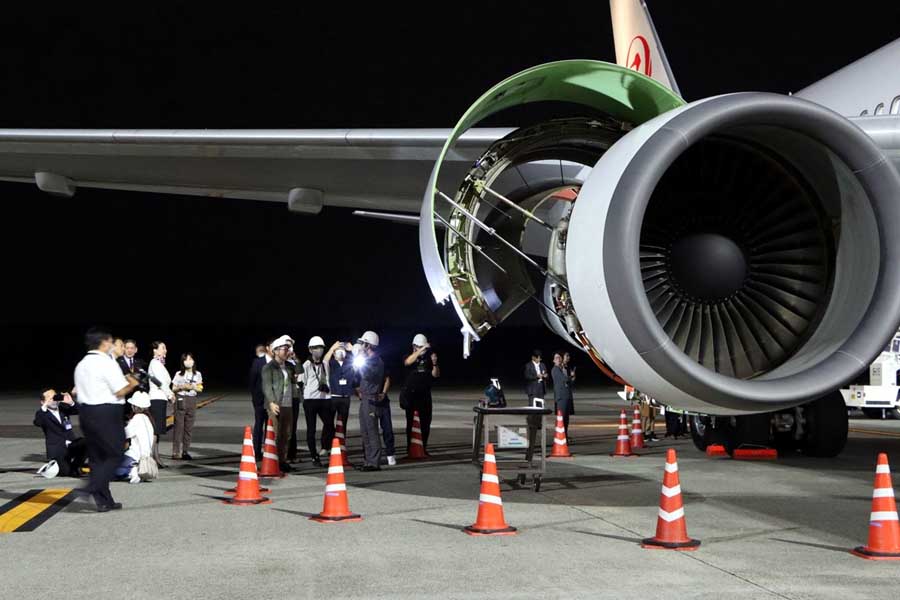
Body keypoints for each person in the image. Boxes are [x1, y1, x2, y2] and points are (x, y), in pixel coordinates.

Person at [73, 328, 139, 512]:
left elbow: (76, 391)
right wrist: (132, 383)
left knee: (97, 458)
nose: (112, 345)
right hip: (106, 413)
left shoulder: (82, 364)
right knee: (116, 453)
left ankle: (104, 500)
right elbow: (119, 390)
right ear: (103, 343)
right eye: (110, 342)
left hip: (86, 413)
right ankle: (90, 488)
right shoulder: (105, 363)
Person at [261, 335, 297, 472]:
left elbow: (300, 371)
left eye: (288, 348)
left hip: (288, 404)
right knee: (276, 434)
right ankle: (272, 461)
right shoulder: (268, 367)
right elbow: (266, 386)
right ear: (275, 350)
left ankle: (282, 460)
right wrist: (271, 402)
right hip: (275, 404)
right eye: (284, 349)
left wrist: (294, 358)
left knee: (286, 434)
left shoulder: (288, 366)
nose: (287, 351)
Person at [33, 389, 86, 477]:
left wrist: (71, 402)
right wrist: (45, 405)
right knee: (65, 472)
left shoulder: (63, 408)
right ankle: (65, 467)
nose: (53, 399)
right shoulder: (43, 414)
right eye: (49, 398)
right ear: (42, 402)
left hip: (72, 444)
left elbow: (80, 411)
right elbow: (37, 422)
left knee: (88, 442)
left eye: (54, 396)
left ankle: (76, 466)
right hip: (58, 450)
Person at [401, 333, 440, 456]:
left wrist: (434, 363)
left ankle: (423, 448)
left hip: (425, 394)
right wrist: (421, 350)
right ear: (414, 346)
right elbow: (407, 362)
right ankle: (410, 448)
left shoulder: (428, 358)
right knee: (411, 423)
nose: (424, 350)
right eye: (421, 347)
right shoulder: (409, 356)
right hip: (411, 395)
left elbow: (436, 375)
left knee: (425, 422)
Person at [299, 336, 332, 467]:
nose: (319, 350)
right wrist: (304, 400)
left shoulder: (325, 364)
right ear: (310, 350)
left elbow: (328, 379)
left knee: (330, 425)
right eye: (316, 348)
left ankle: (326, 447)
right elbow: (301, 383)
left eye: (321, 348)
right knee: (311, 429)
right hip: (310, 400)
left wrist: (329, 393)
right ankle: (314, 456)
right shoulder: (306, 365)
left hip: (323, 399)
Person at [354, 331, 385, 471]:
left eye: (364, 344)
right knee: (365, 431)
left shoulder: (376, 361)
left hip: (371, 399)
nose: (362, 347)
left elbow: (367, 375)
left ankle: (374, 462)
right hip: (365, 398)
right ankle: (368, 460)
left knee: (372, 432)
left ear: (369, 345)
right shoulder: (369, 360)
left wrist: (359, 358)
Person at [115, 392, 156, 483]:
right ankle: (138, 470)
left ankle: (132, 470)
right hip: (146, 458)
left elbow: (125, 434)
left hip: (134, 456)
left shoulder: (136, 419)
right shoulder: (148, 420)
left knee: (111, 471)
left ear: (135, 406)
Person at [326, 340, 357, 454]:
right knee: (329, 423)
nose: (341, 352)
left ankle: (342, 444)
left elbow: (360, 365)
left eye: (343, 350)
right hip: (333, 397)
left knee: (343, 422)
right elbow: (324, 361)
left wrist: (353, 350)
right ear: (334, 353)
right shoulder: (331, 364)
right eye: (338, 351)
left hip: (345, 397)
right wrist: (331, 348)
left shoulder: (350, 363)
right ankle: (329, 445)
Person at [172, 353, 203, 460]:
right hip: (181, 399)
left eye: (190, 359)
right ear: (182, 362)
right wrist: (182, 387)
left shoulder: (198, 374)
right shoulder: (178, 374)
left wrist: (193, 387)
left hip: (192, 400)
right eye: (185, 359)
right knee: (179, 427)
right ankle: (176, 452)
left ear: (193, 361)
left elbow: (200, 388)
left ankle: (185, 451)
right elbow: (173, 388)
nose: (188, 361)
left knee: (188, 427)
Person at [148, 341, 174, 467]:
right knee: (155, 430)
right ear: (155, 350)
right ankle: (153, 458)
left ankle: (156, 457)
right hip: (156, 398)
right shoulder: (155, 364)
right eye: (163, 348)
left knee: (157, 431)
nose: (165, 350)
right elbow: (160, 383)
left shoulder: (159, 364)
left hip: (160, 398)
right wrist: (170, 394)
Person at [248, 343, 271, 461]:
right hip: (260, 401)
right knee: (259, 426)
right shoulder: (258, 362)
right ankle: (256, 452)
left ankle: (269, 451)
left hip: (273, 401)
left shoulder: (277, 363)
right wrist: (255, 398)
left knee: (270, 427)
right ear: (268, 348)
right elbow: (253, 381)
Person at [551, 352, 575, 440]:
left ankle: (564, 435)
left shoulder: (562, 369)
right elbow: (564, 379)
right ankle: (560, 436)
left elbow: (569, 382)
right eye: (556, 358)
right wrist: (570, 377)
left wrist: (572, 378)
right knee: (561, 418)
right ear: (553, 360)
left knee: (566, 419)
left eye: (559, 357)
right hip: (561, 397)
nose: (558, 359)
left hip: (567, 396)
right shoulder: (555, 369)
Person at [376, 367, 396, 466]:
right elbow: (356, 383)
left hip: (383, 401)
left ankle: (390, 454)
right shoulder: (361, 365)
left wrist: (383, 393)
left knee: (387, 429)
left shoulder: (380, 363)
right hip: (369, 402)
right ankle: (371, 456)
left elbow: (387, 379)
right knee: (370, 431)